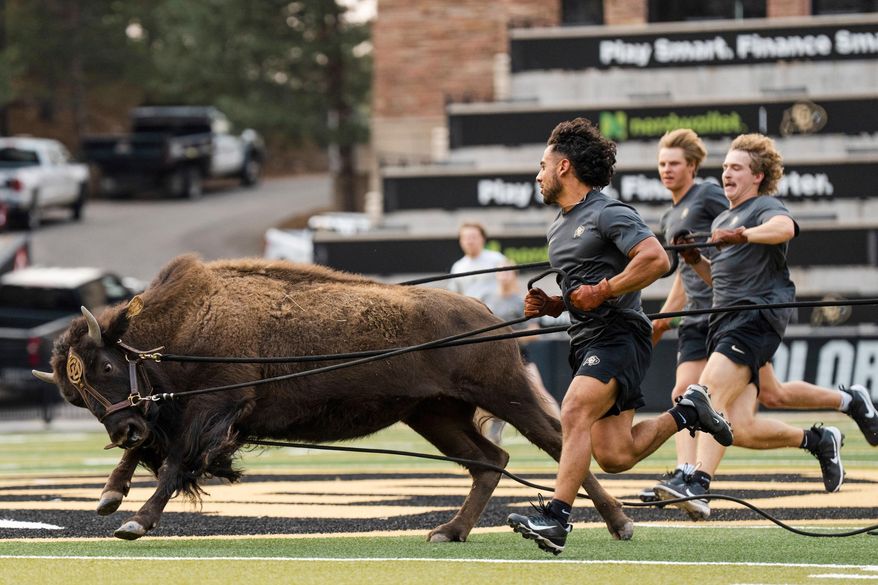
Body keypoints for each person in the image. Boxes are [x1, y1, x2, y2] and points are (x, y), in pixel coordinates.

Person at [506, 118, 732, 555]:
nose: (538, 174)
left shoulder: (609, 211)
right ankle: (688, 412)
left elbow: (654, 260)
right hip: (586, 338)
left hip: (620, 335)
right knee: (615, 456)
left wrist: (605, 290)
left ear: (564, 167)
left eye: (542, 164)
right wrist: (555, 306)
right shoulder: (558, 226)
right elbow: (583, 293)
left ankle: (556, 519)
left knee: (573, 411)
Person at [644, 129, 878, 508]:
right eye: (725, 167)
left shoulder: (764, 207)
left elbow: (786, 228)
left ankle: (696, 481)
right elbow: (716, 278)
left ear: (757, 176)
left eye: (737, 168)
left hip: (754, 317)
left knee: (704, 393)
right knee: (739, 426)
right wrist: (694, 260)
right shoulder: (724, 215)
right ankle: (821, 438)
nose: (727, 174)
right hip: (725, 320)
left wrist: (744, 235)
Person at [481, 261, 561, 444]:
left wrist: (506, 336)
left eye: (508, 272)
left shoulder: (520, 300)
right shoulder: (487, 299)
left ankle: (564, 428)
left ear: (515, 275)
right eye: (500, 272)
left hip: (519, 356)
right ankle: (487, 439)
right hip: (492, 359)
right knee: (482, 399)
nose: (504, 275)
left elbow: (533, 333)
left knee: (539, 393)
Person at [448, 222, 507, 304]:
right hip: (470, 313)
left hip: (495, 312)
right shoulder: (457, 267)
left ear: (483, 239)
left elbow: (511, 287)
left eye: (473, 237)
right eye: (465, 238)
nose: (470, 241)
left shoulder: (497, 259)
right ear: (460, 241)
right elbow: (454, 295)